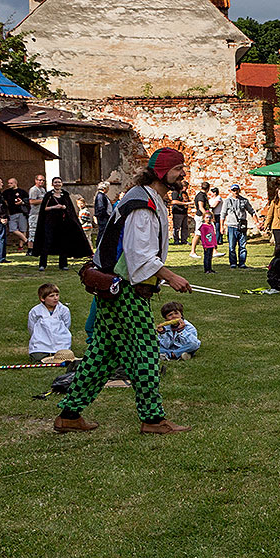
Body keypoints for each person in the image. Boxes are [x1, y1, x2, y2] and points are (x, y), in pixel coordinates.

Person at [52, 149, 193, 434]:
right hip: (125, 291)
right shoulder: (142, 204)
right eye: (178, 168)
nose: (183, 174)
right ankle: (153, 420)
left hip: (118, 289)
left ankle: (69, 415)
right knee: (146, 353)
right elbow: (138, 255)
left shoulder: (146, 198)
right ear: (162, 172)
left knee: (102, 356)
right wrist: (169, 275)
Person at [28, 283, 75, 362]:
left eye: (57, 295)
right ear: (42, 298)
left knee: (63, 357)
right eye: (51, 296)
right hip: (41, 342)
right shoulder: (35, 311)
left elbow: (67, 325)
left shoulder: (64, 310)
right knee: (38, 358)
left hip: (60, 341)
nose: (55, 298)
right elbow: (31, 326)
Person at [220, 184, 253, 268]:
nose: (235, 192)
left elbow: (251, 211)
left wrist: (257, 222)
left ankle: (242, 263)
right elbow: (223, 214)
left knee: (243, 246)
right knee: (232, 246)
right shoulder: (227, 201)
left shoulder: (244, 200)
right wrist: (222, 226)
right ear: (231, 191)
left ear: (239, 190)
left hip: (242, 226)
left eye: (236, 190)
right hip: (231, 226)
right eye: (233, 190)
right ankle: (233, 263)